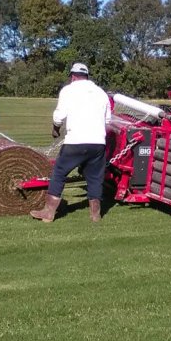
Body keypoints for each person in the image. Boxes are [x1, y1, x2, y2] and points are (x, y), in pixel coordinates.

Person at [30, 62, 111, 223]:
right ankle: (95, 215)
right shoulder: (101, 93)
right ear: (87, 76)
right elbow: (107, 120)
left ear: (73, 77)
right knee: (95, 178)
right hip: (98, 143)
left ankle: (49, 212)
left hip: (76, 141)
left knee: (59, 173)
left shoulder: (68, 90)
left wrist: (55, 129)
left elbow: (58, 116)